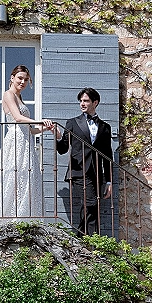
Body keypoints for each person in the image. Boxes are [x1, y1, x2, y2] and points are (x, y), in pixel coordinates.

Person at [0, 65, 55, 223]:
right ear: (12, 78)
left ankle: (21, 219)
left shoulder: (19, 98)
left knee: (25, 178)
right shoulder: (8, 94)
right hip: (15, 141)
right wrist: (40, 120)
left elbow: (29, 129)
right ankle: (7, 219)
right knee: (11, 177)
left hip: (26, 142)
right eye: (20, 78)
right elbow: (18, 118)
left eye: (26, 79)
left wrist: (44, 128)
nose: (23, 81)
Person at [55, 87, 113, 235]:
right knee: (91, 204)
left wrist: (109, 181)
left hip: (96, 174)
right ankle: (91, 241)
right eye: (81, 101)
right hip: (78, 171)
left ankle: (82, 238)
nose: (82, 104)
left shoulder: (105, 128)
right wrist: (57, 136)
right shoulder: (72, 123)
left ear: (95, 102)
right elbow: (63, 149)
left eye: (86, 101)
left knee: (90, 207)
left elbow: (107, 155)